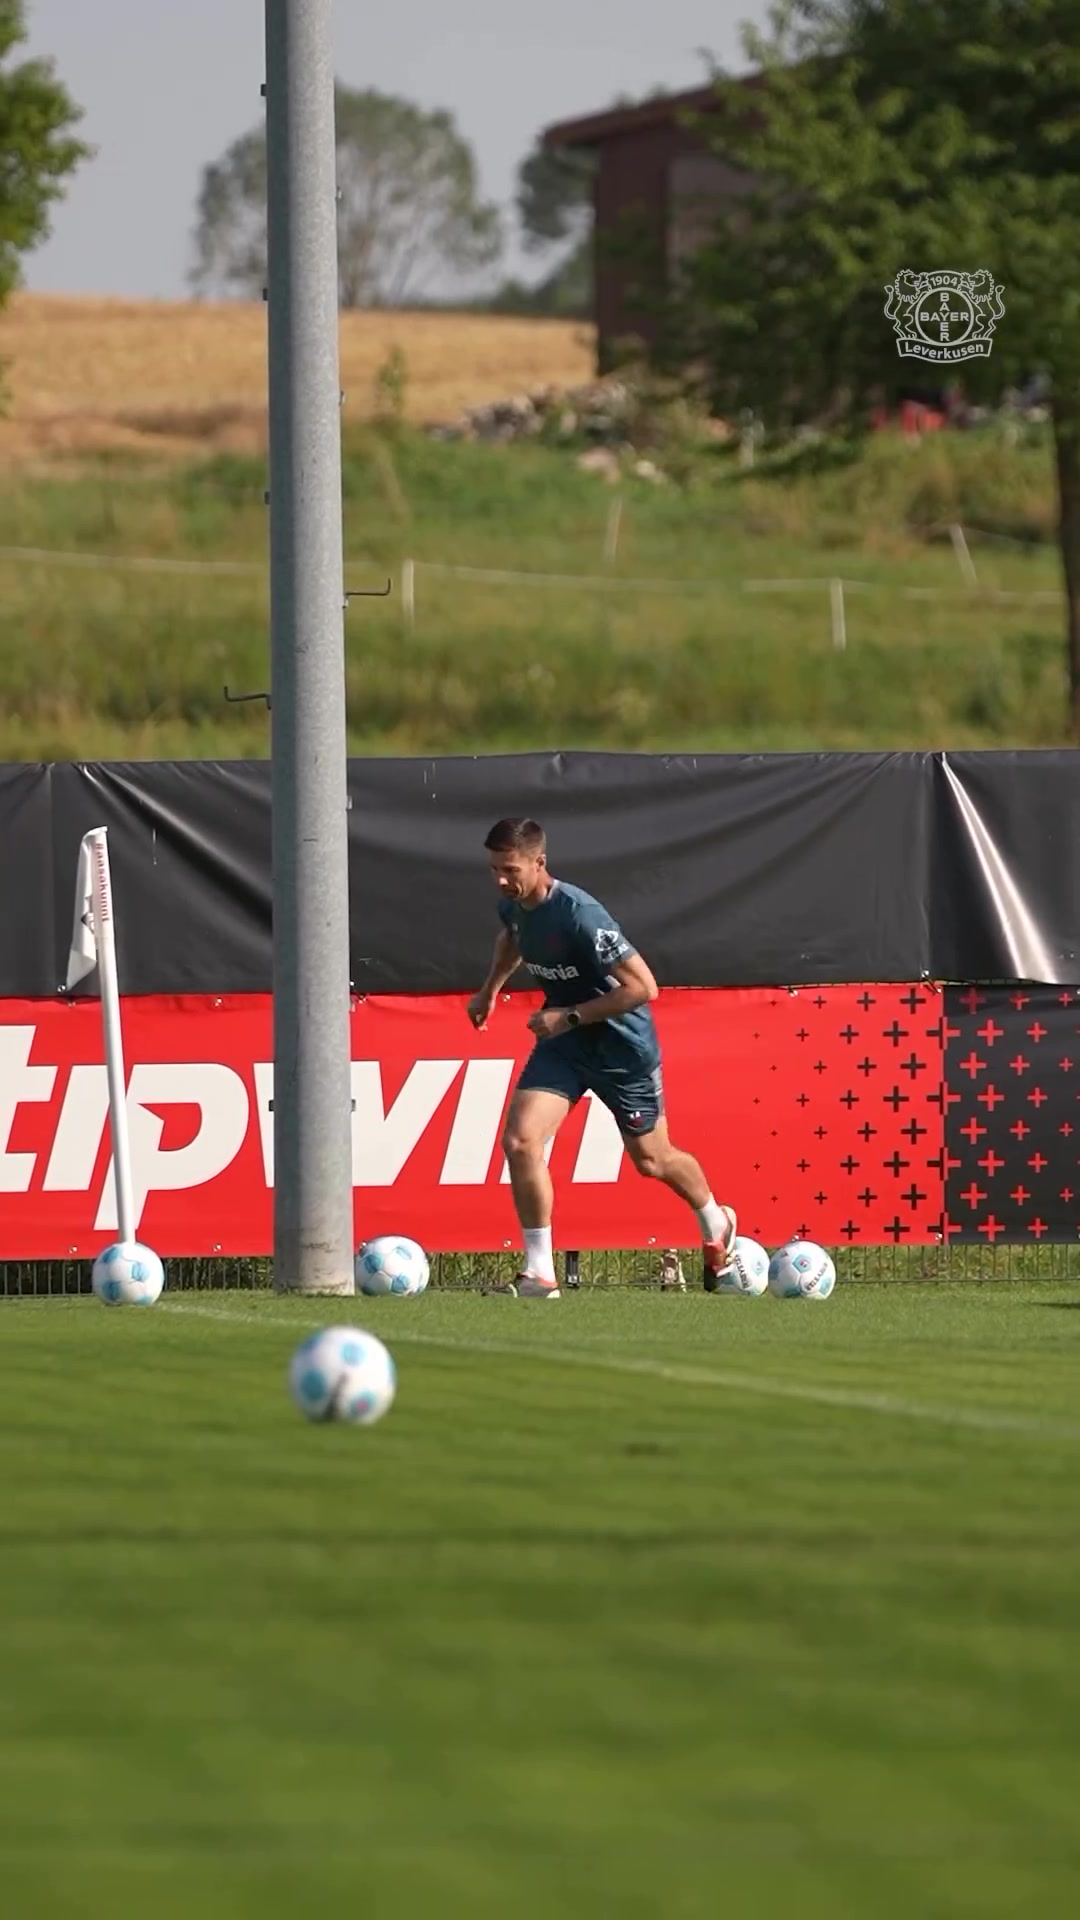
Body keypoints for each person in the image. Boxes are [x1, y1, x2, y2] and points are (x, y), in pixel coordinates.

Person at [467, 817, 738, 1297]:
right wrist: (490, 990)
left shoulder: (580, 914)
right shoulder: (513, 905)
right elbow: (511, 939)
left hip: (620, 1048)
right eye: (494, 869)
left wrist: (568, 1016)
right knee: (520, 1142)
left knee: (652, 1160)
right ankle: (540, 1273)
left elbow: (644, 987)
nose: (501, 880)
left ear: (539, 863)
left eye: (510, 870)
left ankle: (716, 1222)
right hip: (566, 1046)